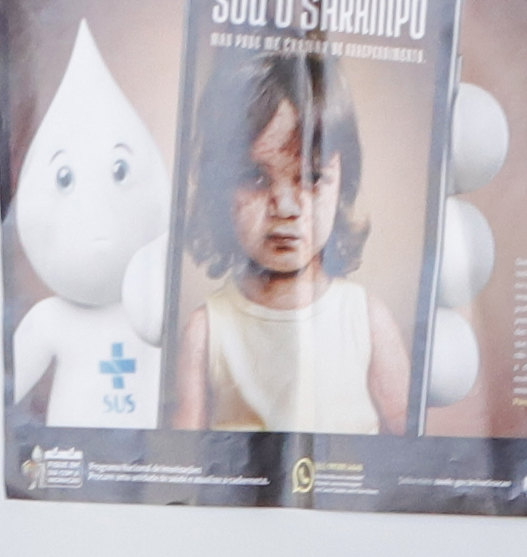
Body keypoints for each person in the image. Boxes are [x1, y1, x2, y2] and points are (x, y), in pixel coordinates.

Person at [167, 48, 410, 437]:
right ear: (219, 188)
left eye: (311, 178)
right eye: (256, 177)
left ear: (342, 184)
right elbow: (182, 457)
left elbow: (407, 450)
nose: (285, 206)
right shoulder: (206, 329)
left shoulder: (367, 320)